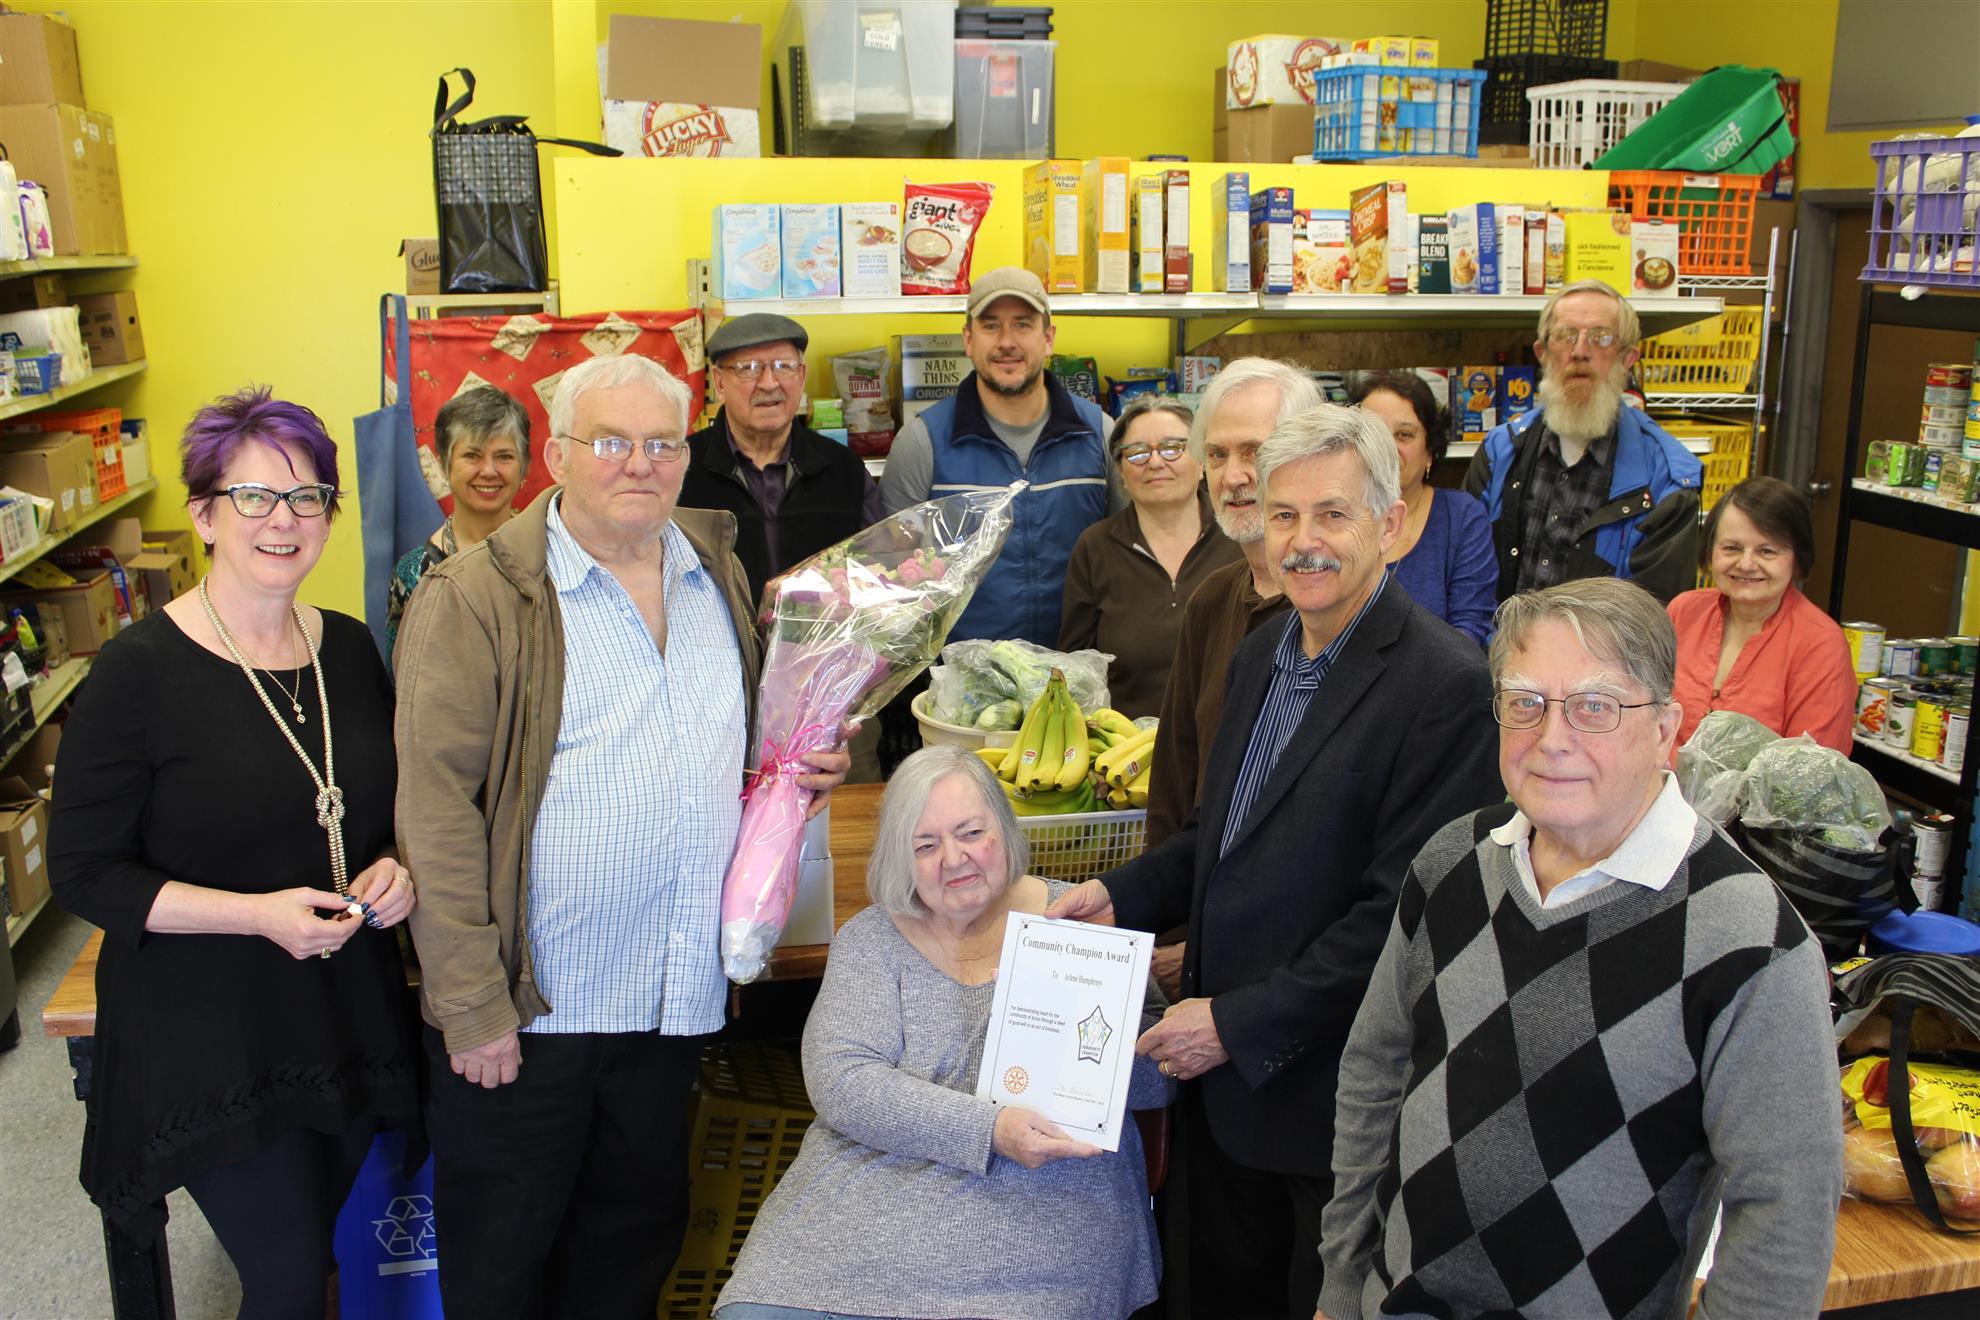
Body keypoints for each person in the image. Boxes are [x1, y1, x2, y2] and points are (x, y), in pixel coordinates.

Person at [393, 353, 852, 1320]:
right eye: (611, 443)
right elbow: (435, 811)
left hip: (671, 1001)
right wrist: (470, 1002)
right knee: (504, 1274)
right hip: (532, 1016)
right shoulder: (477, 596)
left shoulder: (714, 570)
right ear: (557, 456)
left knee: (630, 1257)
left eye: (660, 443)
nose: (639, 463)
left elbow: (740, 746)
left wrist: (801, 763)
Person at [1050, 404, 1503, 1320]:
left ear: (1390, 524)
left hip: (1325, 1109)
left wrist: (1239, 1024)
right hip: (1219, 1099)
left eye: (1333, 514)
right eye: (1285, 515)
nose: (1303, 541)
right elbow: (1216, 837)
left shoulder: (1446, 686)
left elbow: (1399, 918)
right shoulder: (1263, 652)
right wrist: (1114, 895)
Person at [1318, 578, 1844, 1320]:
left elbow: (1785, 1208)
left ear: (1665, 729)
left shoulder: (1749, 938)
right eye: (1525, 702)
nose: (1552, 738)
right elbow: (1374, 1070)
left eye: (1595, 706)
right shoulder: (1452, 862)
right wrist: (1343, 1288)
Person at [48, 388, 422, 1319]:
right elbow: (85, 872)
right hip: (210, 1020)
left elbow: (376, 808)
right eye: (253, 496)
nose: (282, 520)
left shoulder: (347, 649)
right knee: (287, 1275)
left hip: (340, 1002)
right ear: (205, 515)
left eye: (307, 497)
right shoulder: (136, 673)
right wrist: (255, 916)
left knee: (323, 1245)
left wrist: (395, 863)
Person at [713, 746, 1169, 1320]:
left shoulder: (1079, 923)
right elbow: (843, 1083)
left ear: (1004, 827)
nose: (954, 859)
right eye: (925, 845)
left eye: (971, 832)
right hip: (857, 1225)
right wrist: (989, 1128)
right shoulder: (874, 937)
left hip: (1044, 1226)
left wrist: (1066, 1024)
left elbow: (1161, 1078)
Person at [879, 266, 1115, 647]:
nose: (1007, 342)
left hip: (1078, 671)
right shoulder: (922, 444)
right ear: (969, 340)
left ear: (1048, 338)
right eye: (991, 326)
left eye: (1022, 324)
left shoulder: (1099, 434)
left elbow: (1132, 558)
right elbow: (894, 585)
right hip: (962, 678)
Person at [1142, 358, 1319, 849]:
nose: (1233, 476)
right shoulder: (1212, 600)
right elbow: (1175, 775)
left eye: (1254, 452)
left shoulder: (1332, 608)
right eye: (1217, 455)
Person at [1465, 280, 1703, 603]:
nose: (1579, 352)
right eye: (1565, 335)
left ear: (1627, 358)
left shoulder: (1667, 482)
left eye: (1601, 337)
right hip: (1500, 636)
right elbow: (1467, 578)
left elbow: (1657, 615)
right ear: (1543, 354)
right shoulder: (1500, 452)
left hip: (1606, 638)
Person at [680, 312, 884, 608]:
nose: (768, 383)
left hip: (822, 637)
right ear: (719, 382)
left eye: (783, 366)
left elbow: (878, 572)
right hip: (718, 638)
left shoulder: (844, 470)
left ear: (801, 376)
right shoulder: (682, 470)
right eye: (749, 368)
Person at [1059, 396, 1241, 717]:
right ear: (1121, 473)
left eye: (1173, 448)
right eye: (1138, 452)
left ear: (1202, 462)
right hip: (1127, 742)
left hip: (1233, 736)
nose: (1155, 462)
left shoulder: (1239, 537)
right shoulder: (1095, 548)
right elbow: (1076, 670)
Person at [1668, 476, 1856, 752]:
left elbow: (1811, 768)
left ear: (1797, 558)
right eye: (1731, 548)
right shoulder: (1684, 612)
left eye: (1767, 551)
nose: (1746, 564)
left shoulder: (1820, 644)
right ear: (1709, 550)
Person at [1349, 370, 1496, 644]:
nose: (1387, 447)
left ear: (1430, 451)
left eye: (1404, 434)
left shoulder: (1461, 518)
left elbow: (1471, 629)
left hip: (1440, 671)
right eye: (1373, 434)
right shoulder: (1328, 515)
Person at [385, 385, 530, 661]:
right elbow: (402, 679)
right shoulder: (415, 573)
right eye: (472, 455)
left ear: (524, 466)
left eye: (504, 456)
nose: (489, 471)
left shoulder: (549, 556)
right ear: (444, 464)